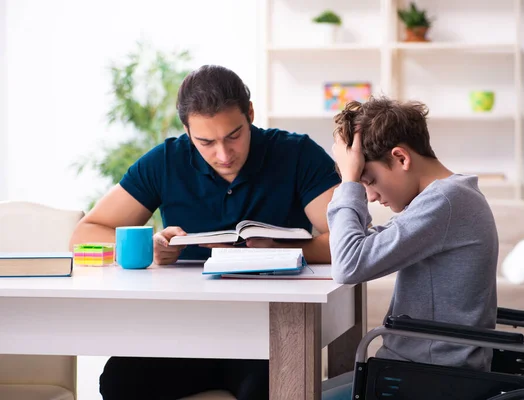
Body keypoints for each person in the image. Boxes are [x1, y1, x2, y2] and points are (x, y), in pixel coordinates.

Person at [69, 65, 341, 400]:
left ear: (250, 114)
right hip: (186, 329)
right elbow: (85, 233)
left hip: (268, 331)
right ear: (186, 130)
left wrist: (280, 250)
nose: (223, 155)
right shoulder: (165, 161)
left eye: (234, 136)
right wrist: (150, 249)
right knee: (120, 381)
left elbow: (347, 239)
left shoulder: (297, 153)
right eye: (206, 142)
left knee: (270, 385)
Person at [323, 97, 499, 399]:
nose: (373, 197)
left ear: (401, 158)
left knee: (296, 390)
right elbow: (362, 246)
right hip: (420, 370)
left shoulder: (445, 201)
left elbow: (348, 265)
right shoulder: (448, 198)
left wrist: (349, 181)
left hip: (426, 378)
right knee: (304, 387)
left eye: (370, 180)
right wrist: (354, 183)